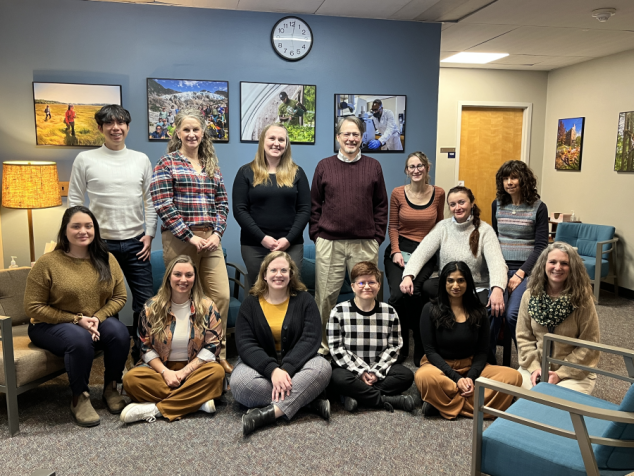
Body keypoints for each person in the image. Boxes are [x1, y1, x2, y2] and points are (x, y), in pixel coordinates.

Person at [24, 206, 129, 427]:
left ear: (95, 230)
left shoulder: (107, 259)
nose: (83, 231)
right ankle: (79, 397)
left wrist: (98, 318)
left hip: (92, 320)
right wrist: (76, 320)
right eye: (76, 226)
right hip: (49, 324)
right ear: (65, 231)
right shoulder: (48, 263)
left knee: (120, 332)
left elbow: (119, 297)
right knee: (80, 340)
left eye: (88, 226)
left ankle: (110, 388)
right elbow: (33, 308)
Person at [69, 104, 157, 363]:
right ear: (100, 128)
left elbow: (150, 200)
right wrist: (82, 239)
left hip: (136, 243)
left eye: (121, 123)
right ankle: (113, 364)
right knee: (107, 307)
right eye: (109, 123)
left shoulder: (140, 159)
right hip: (100, 246)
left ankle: (142, 356)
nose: (115, 128)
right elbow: (75, 201)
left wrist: (149, 234)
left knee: (145, 305)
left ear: (128, 127)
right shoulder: (85, 159)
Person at [150, 109, 232, 374]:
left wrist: (217, 234)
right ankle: (182, 355)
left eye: (196, 129)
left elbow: (222, 204)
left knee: (220, 295)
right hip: (180, 238)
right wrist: (190, 236)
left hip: (211, 238)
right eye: (186, 129)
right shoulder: (167, 163)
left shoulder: (211, 166)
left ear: (203, 132)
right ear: (177, 132)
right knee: (182, 298)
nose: (192, 134)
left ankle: (216, 354)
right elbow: (162, 203)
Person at [310, 116, 388, 354]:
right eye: (346, 134)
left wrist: (377, 238)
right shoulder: (324, 165)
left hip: (364, 243)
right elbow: (314, 204)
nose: (351, 138)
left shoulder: (373, 166)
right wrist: (317, 234)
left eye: (356, 134)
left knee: (366, 295)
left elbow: (381, 205)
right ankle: (323, 346)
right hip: (330, 242)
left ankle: (359, 345)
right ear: (338, 138)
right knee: (324, 298)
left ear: (362, 138)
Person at [231, 252, 332, 436]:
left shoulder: (305, 300)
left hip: (299, 365)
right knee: (239, 384)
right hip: (259, 367)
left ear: (291, 274)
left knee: (322, 368)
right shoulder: (250, 304)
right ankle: (307, 400)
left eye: (284, 270)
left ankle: (267, 414)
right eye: (274, 270)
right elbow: (246, 344)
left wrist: (286, 369)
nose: (279, 274)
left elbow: (310, 338)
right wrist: (273, 370)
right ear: (264, 275)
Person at [120, 255, 225, 423]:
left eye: (189, 275)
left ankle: (156, 409)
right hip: (161, 370)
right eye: (178, 274)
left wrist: (183, 372)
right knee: (131, 380)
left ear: (195, 278)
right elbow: (145, 347)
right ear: (169, 277)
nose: (183, 279)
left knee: (217, 374)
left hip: (195, 370)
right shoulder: (151, 308)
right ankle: (197, 402)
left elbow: (212, 347)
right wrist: (166, 372)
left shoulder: (208, 307)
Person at [414, 262, 522, 419]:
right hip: (439, 366)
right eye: (450, 280)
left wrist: (470, 377)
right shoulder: (429, 309)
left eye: (461, 280)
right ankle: (478, 405)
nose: (455, 285)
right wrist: (457, 379)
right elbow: (430, 351)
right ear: (443, 282)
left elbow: (482, 351)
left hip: (472, 366)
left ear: (468, 283)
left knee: (514, 377)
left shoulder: (479, 310)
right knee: (424, 377)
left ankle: (440, 404)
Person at [400, 186, 508, 342]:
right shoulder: (443, 227)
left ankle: (482, 352)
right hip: (448, 283)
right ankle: (433, 342)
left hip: (476, 285)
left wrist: (497, 288)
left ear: (471, 203)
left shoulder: (485, 230)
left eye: (461, 202)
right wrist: (408, 275)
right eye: (452, 204)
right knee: (424, 287)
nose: (457, 207)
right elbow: (421, 252)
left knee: (490, 307)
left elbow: (497, 262)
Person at [327, 261, 415, 413]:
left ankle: (355, 396)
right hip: (350, 369)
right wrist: (360, 372)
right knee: (336, 378)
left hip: (379, 367)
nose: (367, 286)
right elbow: (336, 348)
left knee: (406, 375)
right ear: (353, 286)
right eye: (361, 282)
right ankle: (385, 400)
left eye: (371, 282)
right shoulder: (338, 311)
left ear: (379, 285)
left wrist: (375, 371)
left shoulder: (389, 312)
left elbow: (394, 346)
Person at [384, 152, 445, 364]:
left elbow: (440, 226)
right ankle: (400, 345)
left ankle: (421, 344)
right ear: (406, 171)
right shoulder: (398, 193)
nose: (416, 170)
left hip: (425, 251)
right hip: (400, 248)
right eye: (411, 167)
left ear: (427, 168)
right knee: (398, 296)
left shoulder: (438, 193)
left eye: (420, 165)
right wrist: (396, 250)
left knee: (415, 292)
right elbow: (392, 226)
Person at [516, 242, 600, 394]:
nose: (557, 267)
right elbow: (523, 338)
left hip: (574, 373)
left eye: (564, 263)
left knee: (553, 403)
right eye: (552, 262)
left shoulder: (583, 300)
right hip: (535, 369)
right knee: (520, 400)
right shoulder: (529, 296)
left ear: (573, 268)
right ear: (544, 264)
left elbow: (589, 345)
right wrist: (536, 368)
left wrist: (560, 374)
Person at [233, 123, 310, 288]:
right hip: (254, 246)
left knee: (289, 292)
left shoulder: (297, 173)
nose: (277, 143)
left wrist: (288, 240)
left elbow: (304, 209)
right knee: (259, 293)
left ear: (286, 145)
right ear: (262, 141)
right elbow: (240, 210)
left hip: (291, 245)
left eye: (281, 140)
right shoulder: (245, 172)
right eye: (272, 138)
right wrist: (263, 238)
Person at [490, 160, 548, 358]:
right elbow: (493, 240)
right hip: (500, 268)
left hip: (528, 270)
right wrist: (499, 271)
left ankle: (528, 360)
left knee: (513, 314)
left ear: (524, 180)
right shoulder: (496, 204)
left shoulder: (539, 207)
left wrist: (520, 274)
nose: (509, 182)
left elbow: (541, 247)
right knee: (492, 310)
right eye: (505, 178)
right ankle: (488, 359)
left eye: (514, 177)